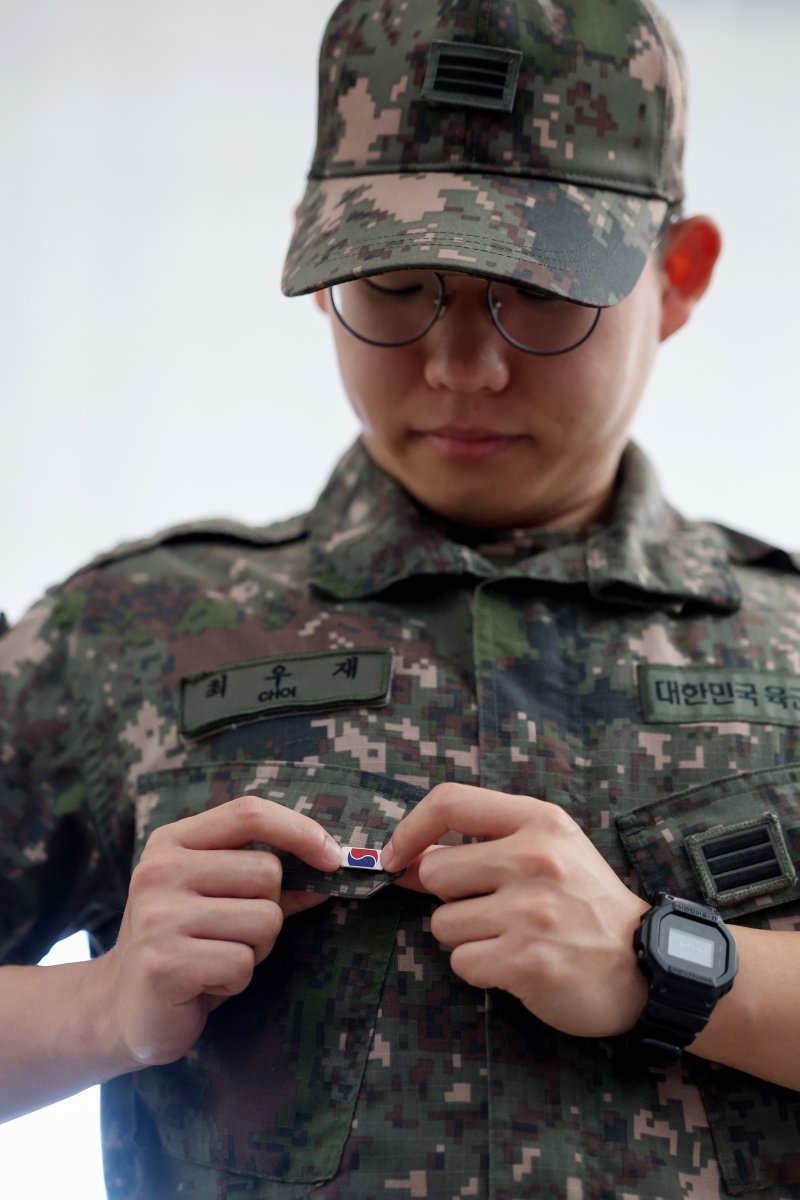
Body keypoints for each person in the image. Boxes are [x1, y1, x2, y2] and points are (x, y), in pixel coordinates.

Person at [2, 0, 799, 1196]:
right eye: (392, 284)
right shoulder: (122, 635)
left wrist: (667, 967)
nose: (459, 366)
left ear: (675, 278)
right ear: (321, 267)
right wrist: (103, 1006)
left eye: (537, 295)